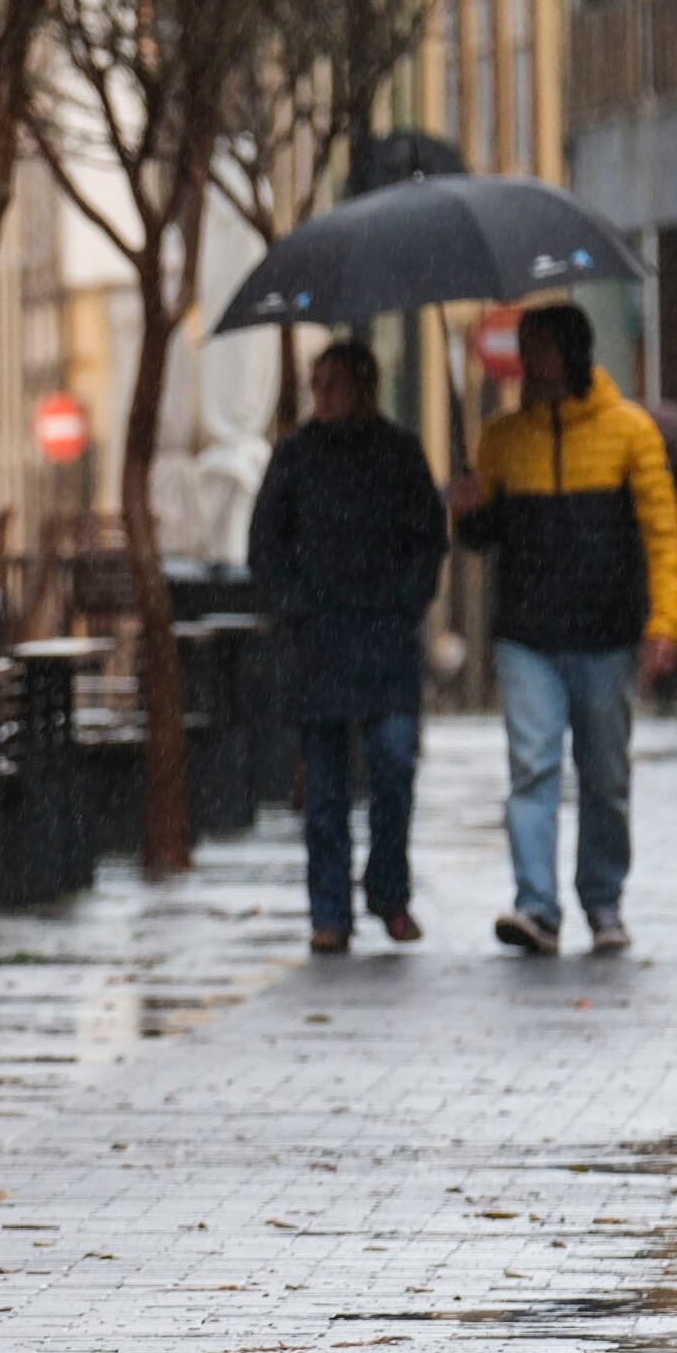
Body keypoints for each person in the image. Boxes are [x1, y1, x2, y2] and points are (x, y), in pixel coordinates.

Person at [446, 302, 677, 955]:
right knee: (531, 769)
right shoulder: (499, 440)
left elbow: (662, 534)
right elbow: (482, 537)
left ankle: (602, 902)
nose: (530, 363)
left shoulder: (629, 432)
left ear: (572, 353)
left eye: (542, 348)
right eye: (525, 349)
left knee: (604, 776)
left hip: (606, 636)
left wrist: (665, 622)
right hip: (526, 635)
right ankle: (536, 907)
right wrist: (467, 510)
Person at [247, 339, 447, 954]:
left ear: (363, 387)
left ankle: (388, 891)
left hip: (384, 639)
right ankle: (328, 913)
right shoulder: (296, 457)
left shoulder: (399, 454)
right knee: (325, 788)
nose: (322, 396)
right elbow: (265, 546)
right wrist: (293, 605)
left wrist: (405, 605)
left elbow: (427, 539)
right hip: (319, 644)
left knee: (392, 765)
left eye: (333, 384)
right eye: (317, 384)